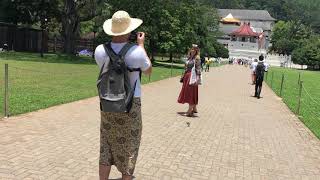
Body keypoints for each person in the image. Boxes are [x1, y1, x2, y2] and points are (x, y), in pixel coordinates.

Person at [94, 10, 152, 180]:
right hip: (130, 103)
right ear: (128, 30)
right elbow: (148, 71)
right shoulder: (136, 51)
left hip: (107, 102)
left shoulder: (100, 50)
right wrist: (141, 44)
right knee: (130, 144)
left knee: (106, 144)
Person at [178, 44, 201, 117]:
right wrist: (183, 76)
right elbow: (185, 68)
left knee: (190, 92)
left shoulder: (197, 58)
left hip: (192, 76)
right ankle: (194, 108)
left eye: (195, 49)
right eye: (192, 49)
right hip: (187, 76)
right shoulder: (189, 58)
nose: (193, 50)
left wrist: (198, 78)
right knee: (191, 92)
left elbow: (198, 68)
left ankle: (189, 111)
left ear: (196, 51)